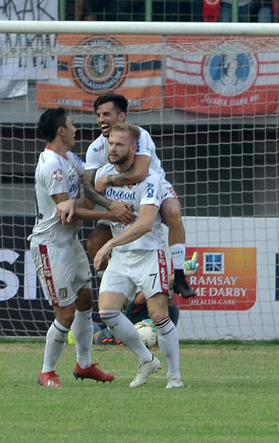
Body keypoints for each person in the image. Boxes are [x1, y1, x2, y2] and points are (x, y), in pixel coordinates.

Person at [30, 108, 129, 387]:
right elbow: (68, 212)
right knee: (66, 311)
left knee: (85, 299)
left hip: (69, 241)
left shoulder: (69, 158)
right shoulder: (51, 164)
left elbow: (90, 182)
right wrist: (111, 213)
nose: (75, 129)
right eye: (71, 125)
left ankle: (84, 365)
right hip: (51, 245)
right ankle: (47, 371)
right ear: (61, 131)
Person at [92, 123, 183, 389]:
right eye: (110, 144)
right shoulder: (103, 174)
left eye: (119, 145)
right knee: (108, 312)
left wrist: (108, 245)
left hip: (148, 253)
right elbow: (90, 199)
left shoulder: (150, 178)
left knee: (158, 316)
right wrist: (109, 208)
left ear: (133, 149)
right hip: (121, 257)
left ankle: (174, 375)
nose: (112, 149)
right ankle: (147, 359)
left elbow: (144, 224)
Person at [82, 93, 198, 298]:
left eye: (106, 114)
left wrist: (108, 181)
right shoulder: (95, 148)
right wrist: (110, 204)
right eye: (98, 115)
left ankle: (179, 275)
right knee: (93, 241)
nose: (101, 119)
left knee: (172, 211)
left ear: (121, 117)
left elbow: (140, 173)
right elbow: (90, 189)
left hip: (152, 191)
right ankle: (126, 289)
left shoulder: (140, 136)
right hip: (119, 199)